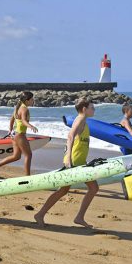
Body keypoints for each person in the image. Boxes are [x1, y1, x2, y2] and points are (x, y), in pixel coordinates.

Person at [34, 98, 98, 229]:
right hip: (74, 162)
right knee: (93, 188)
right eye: (92, 107)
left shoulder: (83, 121)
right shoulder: (79, 120)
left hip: (79, 161)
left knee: (64, 190)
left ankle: (41, 214)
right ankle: (78, 217)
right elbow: (70, 136)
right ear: (84, 109)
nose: (94, 109)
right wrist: (68, 157)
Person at [0, 92, 38, 177]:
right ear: (27, 100)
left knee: (16, 156)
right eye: (32, 99)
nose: (33, 100)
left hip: (14, 134)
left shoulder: (18, 107)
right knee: (28, 155)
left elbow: (12, 120)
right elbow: (23, 120)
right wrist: (31, 126)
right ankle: (28, 177)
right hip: (19, 135)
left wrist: (11, 130)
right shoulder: (24, 109)